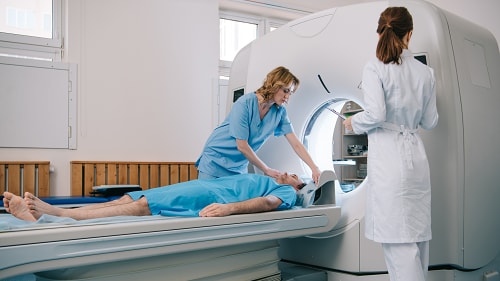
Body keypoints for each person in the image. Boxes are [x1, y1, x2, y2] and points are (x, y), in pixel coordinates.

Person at [343, 7, 438, 281]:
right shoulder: (426, 73)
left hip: (391, 162)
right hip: (417, 161)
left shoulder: (374, 67)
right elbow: (431, 122)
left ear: (379, 32)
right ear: (409, 34)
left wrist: (353, 123)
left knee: (399, 246)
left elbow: (376, 114)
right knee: (418, 241)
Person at [3, 172, 307, 222]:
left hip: (209, 194)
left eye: (295, 176)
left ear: (297, 186)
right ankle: (47, 211)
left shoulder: (284, 191)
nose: (289, 174)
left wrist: (228, 209)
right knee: (127, 199)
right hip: (200, 185)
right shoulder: (266, 175)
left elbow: (268, 204)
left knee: (144, 206)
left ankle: (57, 214)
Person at [196, 66, 321, 184]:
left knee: (234, 204)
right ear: (274, 84)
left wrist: (314, 168)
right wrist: (266, 169)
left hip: (238, 165)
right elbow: (242, 145)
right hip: (216, 158)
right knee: (208, 201)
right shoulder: (244, 103)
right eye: (285, 91)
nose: (287, 97)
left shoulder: (279, 112)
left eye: (290, 93)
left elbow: (296, 144)